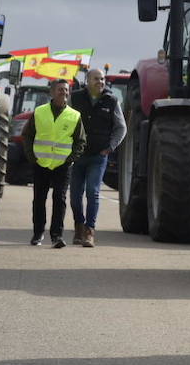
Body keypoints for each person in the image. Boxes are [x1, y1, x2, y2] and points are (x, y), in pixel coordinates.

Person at [21, 78, 84, 248]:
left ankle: (57, 236)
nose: (63, 92)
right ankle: (38, 233)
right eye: (60, 89)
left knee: (59, 199)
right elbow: (27, 135)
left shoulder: (74, 115)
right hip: (40, 163)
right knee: (39, 199)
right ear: (52, 92)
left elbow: (80, 141)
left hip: (62, 166)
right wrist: (31, 157)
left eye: (66, 90)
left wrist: (70, 160)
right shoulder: (40, 112)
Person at [69, 67, 126, 247]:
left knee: (92, 192)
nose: (100, 82)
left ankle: (89, 231)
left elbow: (121, 127)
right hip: (77, 156)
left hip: (98, 156)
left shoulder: (112, 101)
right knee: (75, 196)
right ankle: (79, 225)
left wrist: (111, 147)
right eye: (96, 79)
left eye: (102, 79)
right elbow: (65, 121)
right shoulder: (75, 98)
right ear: (87, 81)